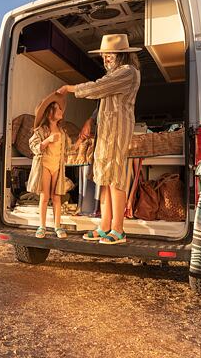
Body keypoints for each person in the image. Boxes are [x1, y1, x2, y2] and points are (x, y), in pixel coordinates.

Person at [56, 34, 141, 245]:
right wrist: (91, 120)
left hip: (118, 132)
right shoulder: (115, 75)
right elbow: (103, 99)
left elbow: (97, 87)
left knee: (116, 178)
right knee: (103, 178)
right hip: (106, 133)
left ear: (121, 54)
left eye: (108, 54)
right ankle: (104, 226)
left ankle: (118, 230)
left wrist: (70, 88)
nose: (105, 58)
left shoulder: (128, 72)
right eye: (103, 55)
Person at [26, 92, 74, 239]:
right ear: (49, 113)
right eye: (57, 109)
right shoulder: (41, 131)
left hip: (57, 168)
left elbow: (69, 149)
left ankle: (57, 226)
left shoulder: (62, 132)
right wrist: (48, 140)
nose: (61, 111)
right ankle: (42, 226)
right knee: (45, 197)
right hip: (45, 166)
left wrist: (81, 140)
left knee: (57, 197)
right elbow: (34, 147)